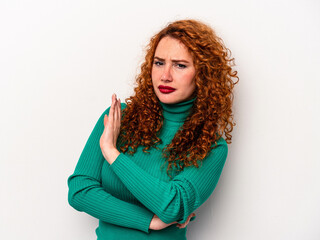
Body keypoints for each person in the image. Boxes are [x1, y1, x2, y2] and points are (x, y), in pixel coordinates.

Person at [67, 19, 238, 240]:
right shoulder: (121, 117)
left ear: (203, 74)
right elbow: (80, 191)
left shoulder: (211, 146)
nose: (165, 75)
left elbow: (172, 206)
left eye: (180, 65)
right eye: (159, 63)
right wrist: (149, 221)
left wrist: (112, 153)